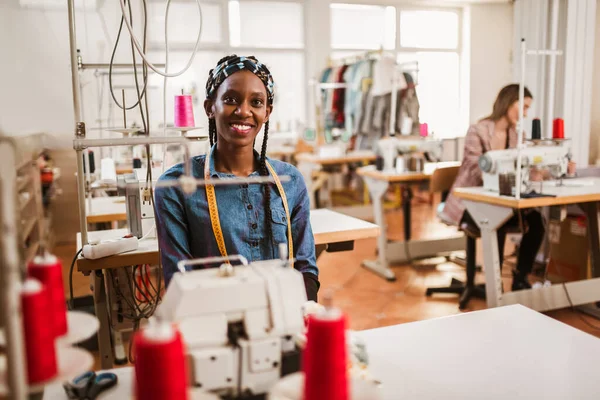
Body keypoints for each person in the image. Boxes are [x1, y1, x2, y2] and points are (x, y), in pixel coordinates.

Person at [154, 55, 319, 301]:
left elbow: (305, 269)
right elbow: (180, 281)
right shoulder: (176, 186)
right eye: (231, 99)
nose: (244, 111)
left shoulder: (290, 180)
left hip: (284, 315)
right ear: (210, 107)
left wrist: (301, 315)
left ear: (267, 112)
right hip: (216, 319)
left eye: (256, 102)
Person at [443, 84, 574, 291]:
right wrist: (507, 172)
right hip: (470, 204)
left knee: (537, 222)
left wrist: (554, 170)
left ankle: (520, 279)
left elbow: (528, 170)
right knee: (499, 221)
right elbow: (475, 169)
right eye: (523, 107)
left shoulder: (517, 136)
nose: (525, 113)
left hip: (502, 202)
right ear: (508, 102)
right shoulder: (478, 130)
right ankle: (495, 288)